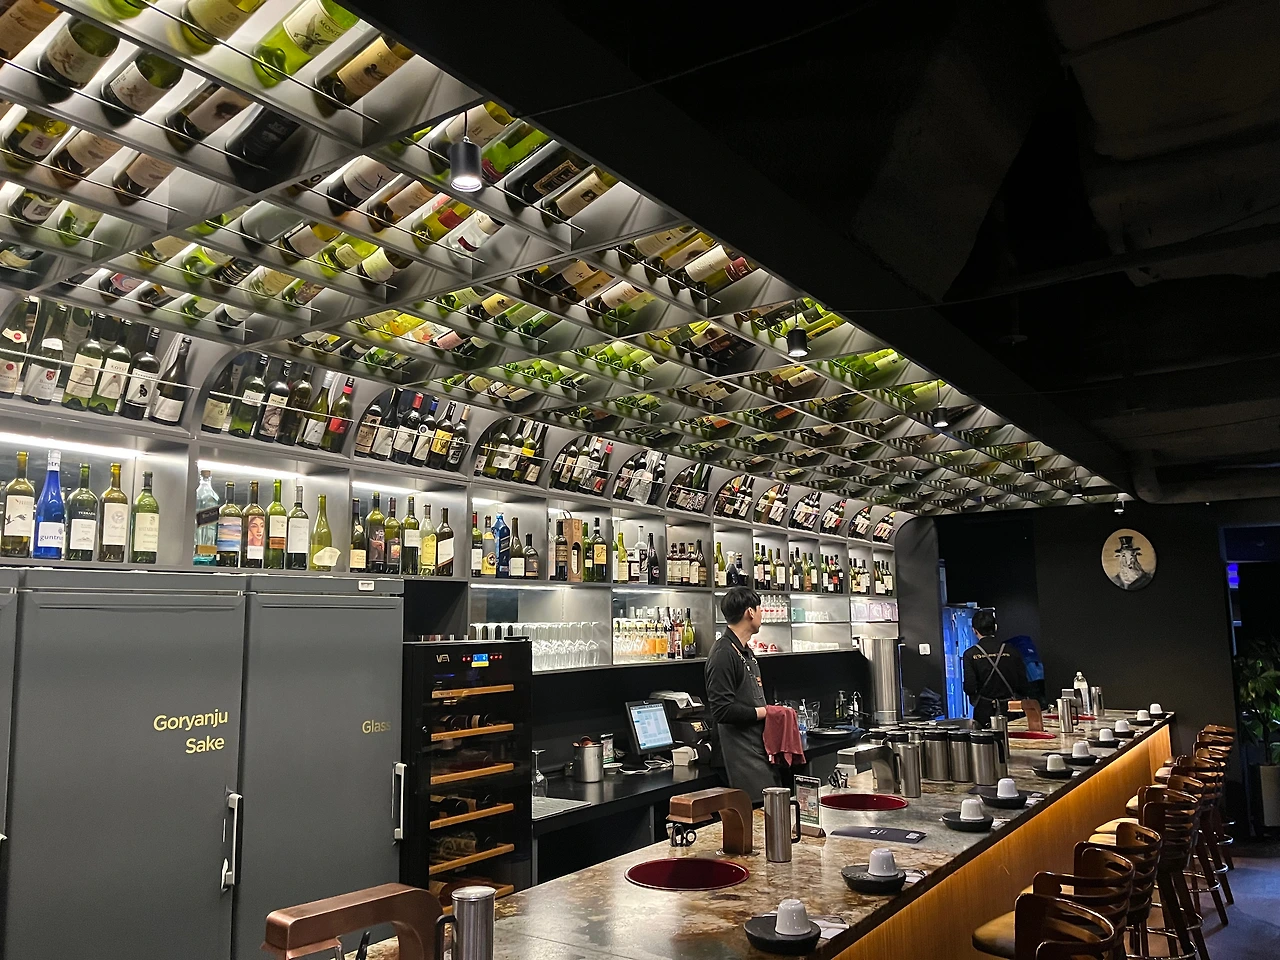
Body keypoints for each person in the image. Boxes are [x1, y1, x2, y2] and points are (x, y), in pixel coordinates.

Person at [705, 586, 779, 802]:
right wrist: (766, 712)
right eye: (760, 608)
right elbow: (722, 710)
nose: (761, 614)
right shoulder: (723, 654)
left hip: (756, 750)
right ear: (750, 612)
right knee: (754, 816)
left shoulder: (745, 650)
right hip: (737, 757)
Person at [962, 609, 1030, 728]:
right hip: (1011, 710)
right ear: (995, 627)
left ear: (974, 630)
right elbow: (1023, 685)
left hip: (984, 711)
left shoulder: (970, 654)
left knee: (986, 739)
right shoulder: (1012, 651)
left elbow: (970, 687)